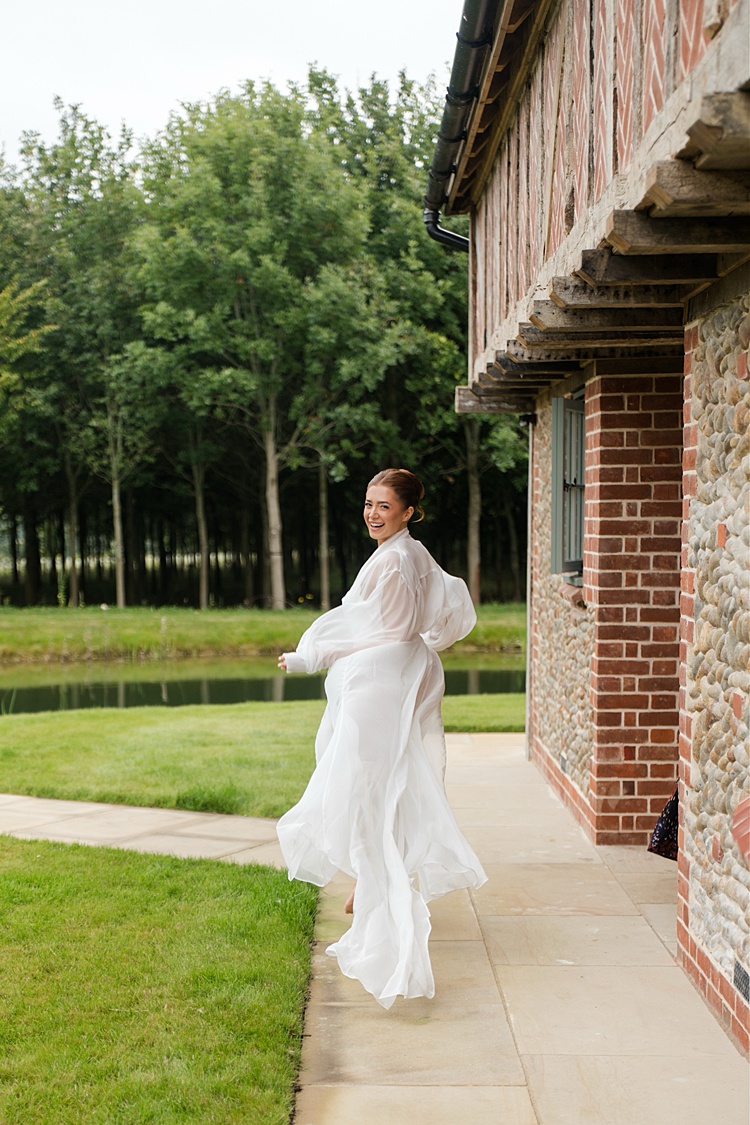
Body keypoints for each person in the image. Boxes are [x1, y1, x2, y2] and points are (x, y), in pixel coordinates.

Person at [276, 468, 487, 1010]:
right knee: (386, 783)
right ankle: (373, 879)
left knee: (366, 784)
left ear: (409, 511)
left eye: (384, 506)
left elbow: (382, 631)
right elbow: (449, 607)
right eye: (368, 504)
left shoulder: (396, 561)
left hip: (382, 682)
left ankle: (381, 891)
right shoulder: (415, 554)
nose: (373, 514)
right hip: (404, 675)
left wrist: (312, 655)